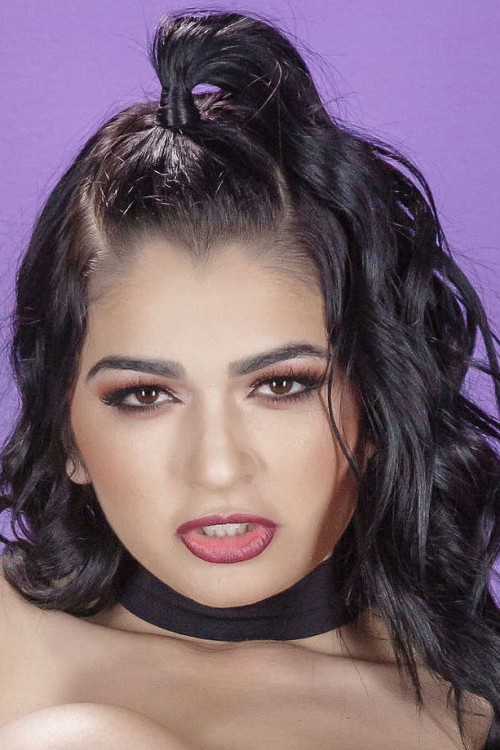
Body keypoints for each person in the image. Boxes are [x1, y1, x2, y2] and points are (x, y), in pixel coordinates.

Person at [0, 8, 498, 750]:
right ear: (67, 433)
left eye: (281, 386)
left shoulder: (472, 705)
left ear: (378, 401)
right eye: (144, 396)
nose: (219, 466)